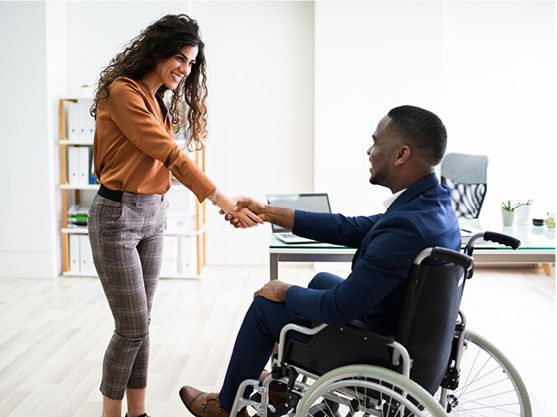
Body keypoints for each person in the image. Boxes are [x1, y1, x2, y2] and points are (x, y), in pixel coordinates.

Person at [178, 105, 461, 417]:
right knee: (320, 280)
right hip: (406, 330)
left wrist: (284, 291)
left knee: (265, 306)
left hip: (378, 347)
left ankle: (226, 405)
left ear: (401, 154)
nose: (369, 150)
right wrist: (269, 212)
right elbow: (349, 227)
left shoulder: (405, 226)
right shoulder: (431, 204)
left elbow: (340, 307)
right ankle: (276, 386)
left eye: (376, 142)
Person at [88, 14, 262, 417]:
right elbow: (169, 154)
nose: (184, 70)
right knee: (131, 328)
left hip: (152, 214)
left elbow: (169, 165)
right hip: (117, 216)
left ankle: (139, 412)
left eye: (191, 64)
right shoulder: (123, 92)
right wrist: (223, 199)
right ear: (158, 52)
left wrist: (225, 203)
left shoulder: (158, 103)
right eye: (180, 59)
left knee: (141, 326)